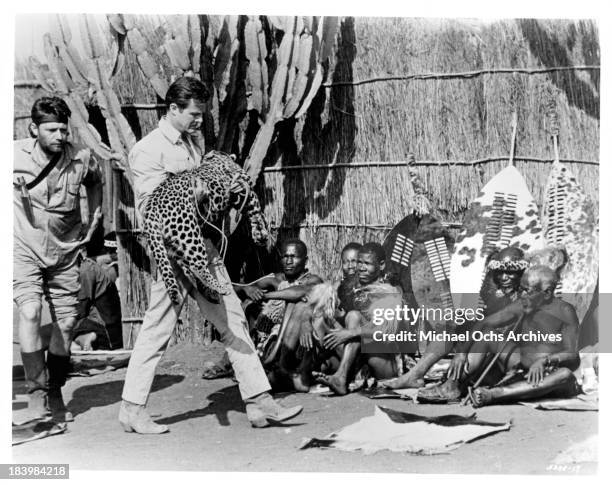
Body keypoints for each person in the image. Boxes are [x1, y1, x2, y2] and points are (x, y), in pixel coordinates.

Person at [120, 77, 302, 433]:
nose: (199, 120)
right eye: (192, 114)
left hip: (206, 248)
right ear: (172, 109)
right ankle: (131, 408)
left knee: (233, 321)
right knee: (158, 329)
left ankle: (260, 403)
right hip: (178, 251)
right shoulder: (148, 150)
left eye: (201, 114)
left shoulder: (193, 142)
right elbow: (152, 209)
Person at [13, 96, 103, 423]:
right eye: (51, 130)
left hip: (64, 251)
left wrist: (95, 214)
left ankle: (55, 388)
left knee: (66, 323)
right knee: (30, 310)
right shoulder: (11, 154)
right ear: (33, 128)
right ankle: (35, 395)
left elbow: (96, 180)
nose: (59, 136)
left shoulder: (81, 156)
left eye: (63, 129)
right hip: (23, 247)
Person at [387, 246, 528, 393]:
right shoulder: (491, 287)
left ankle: (452, 385)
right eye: (500, 272)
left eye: (510, 273)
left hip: (501, 361)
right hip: (483, 354)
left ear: (521, 273)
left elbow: (491, 329)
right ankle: (415, 374)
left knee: (484, 336)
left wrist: (462, 352)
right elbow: (468, 316)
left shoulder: (525, 295)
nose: (504, 277)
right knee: (451, 329)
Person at [453, 265, 580, 407]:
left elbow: (573, 355)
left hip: (549, 374)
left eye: (528, 291)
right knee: (488, 335)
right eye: (521, 290)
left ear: (547, 293)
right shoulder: (522, 305)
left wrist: (545, 361)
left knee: (565, 374)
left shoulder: (564, 311)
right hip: (521, 368)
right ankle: (452, 386)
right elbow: (483, 324)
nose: (522, 296)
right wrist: (461, 353)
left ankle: (494, 394)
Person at [313, 243, 403, 395]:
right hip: (358, 358)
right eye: (359, 262)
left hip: (383, 363)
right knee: (325, 318)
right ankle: (338, 375)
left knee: (354, 318)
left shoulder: (390, 290)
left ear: (381, 265)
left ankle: (341, 376)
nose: (361, 267)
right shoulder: (353, 286)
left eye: (367, 263)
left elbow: (386, 329)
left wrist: (350, 333)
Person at [234, 239, 323, 391]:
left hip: (298, 345)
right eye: (285, 257)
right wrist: (247, 289)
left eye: (294, 257)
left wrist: (267, 296)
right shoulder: (276, 279)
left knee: (294, 304)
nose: (288, 261)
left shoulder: (313, 280)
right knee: (248, 305)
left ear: (305, 260)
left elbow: (301, 292)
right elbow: (231, 290)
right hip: (269, 342)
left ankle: (282, 369)